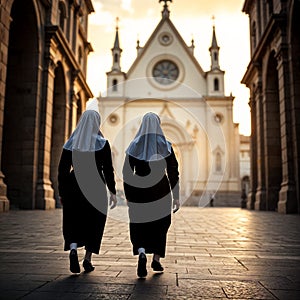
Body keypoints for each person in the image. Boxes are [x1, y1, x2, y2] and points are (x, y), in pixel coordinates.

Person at [58, 106, 117, 274]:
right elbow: (108, 170)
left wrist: (62, 192)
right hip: (96, 186)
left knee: (73, 219)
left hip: (73, 185)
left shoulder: (70, 144)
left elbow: (62, 171)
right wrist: (112, 191)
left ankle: (74, 249)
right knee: (95, 221)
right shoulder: (103, 143)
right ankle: (87, 259)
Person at [122, 112, 180, 278]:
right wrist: (176, 195)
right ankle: (156, 258)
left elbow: (127, 173)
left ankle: (141, 251)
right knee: (161, 224)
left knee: (139, 222)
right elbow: (173, 172)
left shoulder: (134, 146)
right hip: (160, 190)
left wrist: (128, 194)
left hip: (139, 189)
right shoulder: (166, 146)